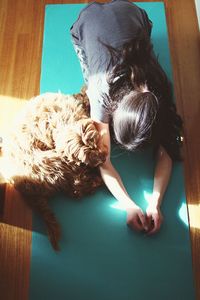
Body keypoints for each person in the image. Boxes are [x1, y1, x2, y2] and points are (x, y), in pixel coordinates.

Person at [70, 0, 183, 234]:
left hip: (133, 11)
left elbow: (166, 152)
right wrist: (129, 206)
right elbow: (104, 160)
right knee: (87, 73)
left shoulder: (159, 91)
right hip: (87, 19)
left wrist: (155, 203)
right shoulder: (100, 94)